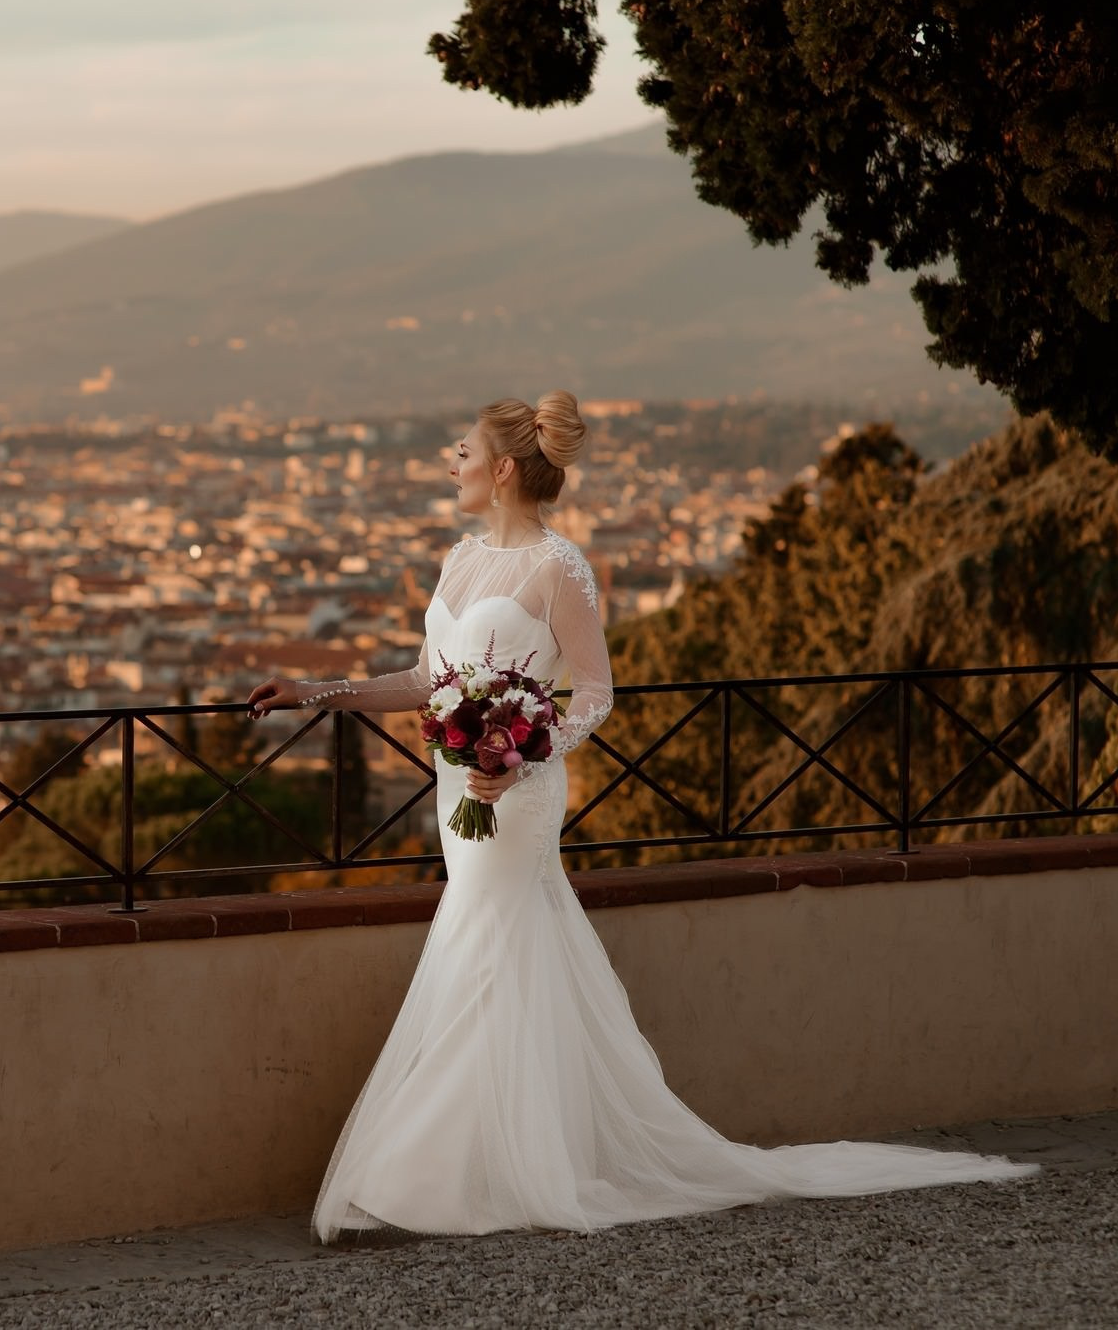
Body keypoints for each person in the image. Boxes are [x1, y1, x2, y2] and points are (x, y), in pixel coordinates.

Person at [246, 392, 1039, 1242]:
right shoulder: (460, 560)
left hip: (514, 794)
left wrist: (522, 755)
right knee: (496, 956)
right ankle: (493, 1166)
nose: (452, 459)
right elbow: (424, 681)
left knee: (478, 949)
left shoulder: (558, 567)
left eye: (463, 447)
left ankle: (426, 1176)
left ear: (504, 466)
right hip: (460, 791)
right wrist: (316, 694)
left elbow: (595, 693)